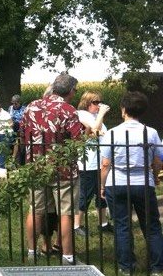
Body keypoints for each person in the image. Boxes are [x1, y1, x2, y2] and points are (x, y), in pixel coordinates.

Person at [21, 73, 84, 265]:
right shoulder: (68, 110)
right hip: (63, 171)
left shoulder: (31, 106)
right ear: (71, 91)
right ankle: (67, 256)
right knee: (66, 213)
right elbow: (78, 142)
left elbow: (23, 135)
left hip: (36, 168)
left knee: (35, 209)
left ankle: (32, 252)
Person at [99, 91, 163, 275]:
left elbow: (105, 164)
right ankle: (157, 267)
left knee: (122, 225)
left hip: (117, 181)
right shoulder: (150, 133)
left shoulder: (112, 133)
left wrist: (103, 186)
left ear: (124, 109)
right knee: (151, 226)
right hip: (143, 181)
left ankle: (126, 267)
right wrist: (156, 175)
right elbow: (158, 160)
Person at [73, 91, 112, 236]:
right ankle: (77, 225)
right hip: (87, 162)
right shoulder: (82, 114)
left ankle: (103, 223)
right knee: (85, 194)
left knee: (101, 194)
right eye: (96, 103)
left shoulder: (96, 116)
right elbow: (96, 128)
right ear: (87, 103)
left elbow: (100, 131)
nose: (98, 105)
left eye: (100, 102)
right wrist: (101, 113)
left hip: (99, 162)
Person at [7, 94, 26, 165]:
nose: (14, 105)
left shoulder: (24, 108)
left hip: (21, 128)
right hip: (12, 127)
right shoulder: (10, 108)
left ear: (19, 102)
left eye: (16, 103)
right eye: (13, 103)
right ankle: (12, 159)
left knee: (19, 142)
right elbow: (8, 118)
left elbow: (25, 119)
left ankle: (16, 159)